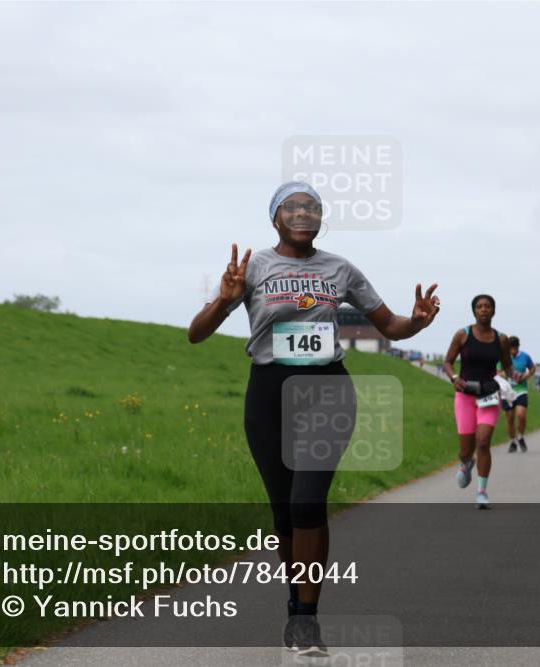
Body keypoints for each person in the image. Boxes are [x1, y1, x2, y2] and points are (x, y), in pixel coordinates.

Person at [187, 181, 439, 658]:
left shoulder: (340, 269)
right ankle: (295, 600)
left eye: (313, 207)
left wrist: (417, 322)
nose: (303, 213)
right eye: (293, 206)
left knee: (307, 504)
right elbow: (196, 335)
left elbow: (391, 326)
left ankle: (306, 619)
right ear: (275, 217)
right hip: (268, 394)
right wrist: (224, 299)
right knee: (284, 513)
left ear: (321, 218)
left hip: (327, 390)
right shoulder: (256, 266)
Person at [442, 295, 512, 510]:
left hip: (489, 396)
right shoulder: (463, 334)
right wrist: (454, 378)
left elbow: (508, 366)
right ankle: (466, 463)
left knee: (483, 442)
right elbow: (448, 362)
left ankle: (482, 491)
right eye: (480, 307)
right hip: (465, 396)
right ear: (474, 311)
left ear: (493, 311)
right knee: (465, 450)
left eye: (487, 306)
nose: (484, 310)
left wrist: (510, 376)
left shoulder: (501, 339)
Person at [498, 336, 536, 453]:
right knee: (510, 419)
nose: (512, 352)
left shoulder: (525, 356)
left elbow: (533, 368)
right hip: (507, 392)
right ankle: (513, 441)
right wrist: (507, 374)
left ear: (518, 347)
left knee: (521, 415)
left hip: (521, 390)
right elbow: (498, 372)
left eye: (514, 349)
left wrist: (525, 376)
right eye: (510, 349)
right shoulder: (502, 357)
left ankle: (520, 436)